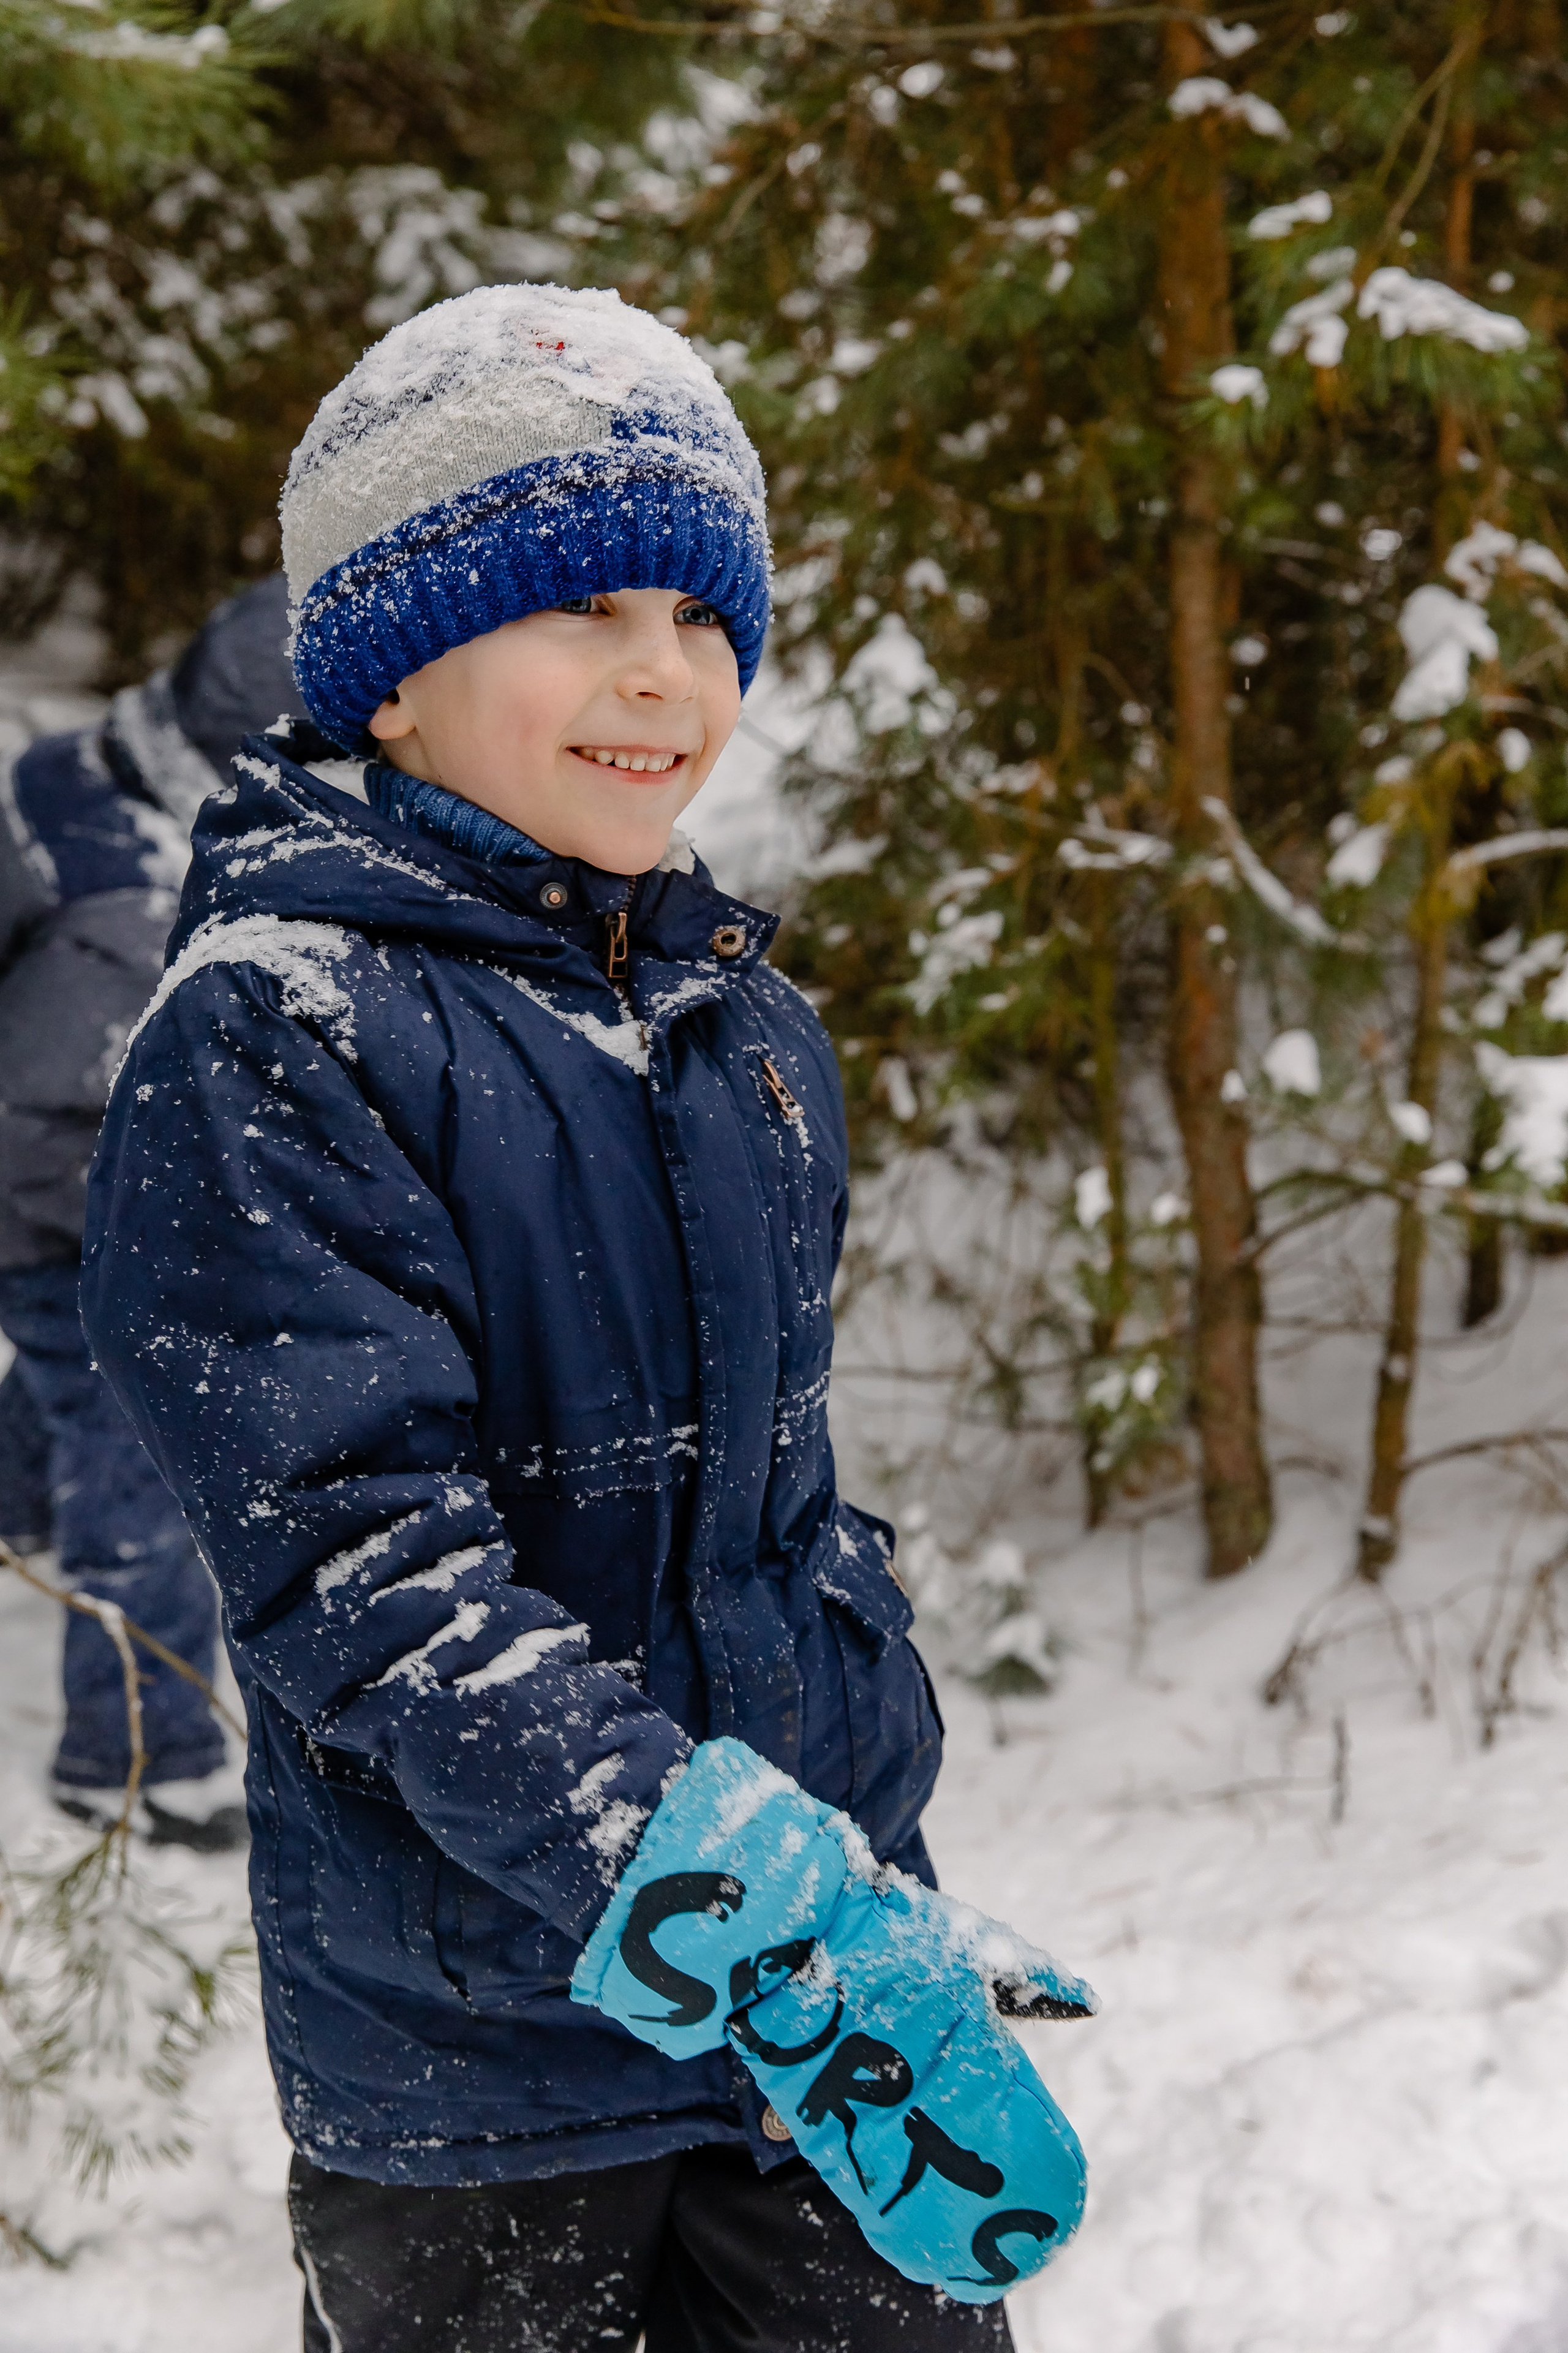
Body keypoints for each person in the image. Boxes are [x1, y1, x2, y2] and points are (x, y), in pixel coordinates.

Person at [81, 286, 1092, 2352]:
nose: (664, 674)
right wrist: (720, 1880)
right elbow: (360, 1574)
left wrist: (860, 1798)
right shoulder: (279, 1034)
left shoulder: (744, 1022)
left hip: (816, 2033)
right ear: (385, 677)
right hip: (486, 2076)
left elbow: (774, 1496)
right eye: (581, 612)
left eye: (707, 620)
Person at [0, 578, 298, 1848]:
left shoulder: (164, 793)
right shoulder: (96, 861)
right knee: (144, 1449)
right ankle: (134, 1754)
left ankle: (16, 1502)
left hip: (89, 1180)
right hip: (46, 1201)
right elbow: (50, 1110)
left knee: (73, 1392)